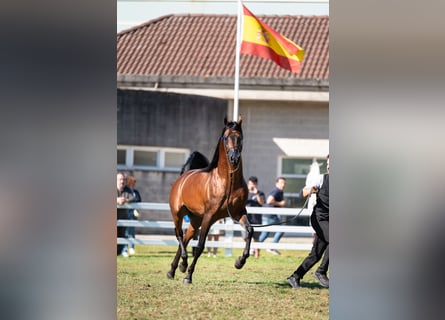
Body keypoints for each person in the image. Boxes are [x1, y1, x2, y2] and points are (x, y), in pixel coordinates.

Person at [287, 155, 329, 289]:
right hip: (319, 218)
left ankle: (295, 276)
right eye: (328, 163)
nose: (329, 166)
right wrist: (309, 190)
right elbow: (302, 192)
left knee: (315, 254)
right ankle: (321, 272)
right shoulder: (322, 178)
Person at [259, 177, 287, 255]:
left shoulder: (280, 191)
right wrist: (281, 203)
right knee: (281, 229)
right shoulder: (277, 191)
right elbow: (269, 200)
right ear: (276, 184)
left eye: (284, 183)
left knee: (265, 233)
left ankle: (254, 248)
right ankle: (271, 247)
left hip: (268, 215)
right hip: (270, 215)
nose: (283, 185)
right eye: (281, 183)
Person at [241, 176, 265, 258]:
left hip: (256, 219)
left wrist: (256, 193)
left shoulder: (260, 193)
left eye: (254, 183)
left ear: (256, 184)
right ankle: (248, 250)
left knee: (256, 238)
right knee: (245, 237)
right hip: (246, 219)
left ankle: (257, 254)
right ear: (248, 184)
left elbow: (262, 203)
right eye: (251, 183)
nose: (252, 185)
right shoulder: (244, 192)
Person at [117, 172, 136, 257]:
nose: (122, 181)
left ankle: (123, 250)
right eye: (120, 179)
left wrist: (125, 200)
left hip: (123, 216)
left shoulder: (127, 189)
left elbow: (133, 197)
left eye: (123, 179)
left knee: (123, 234)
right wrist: (117, 200)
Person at [124, 175, 141, 256]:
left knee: (132, 231)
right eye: (133, 183)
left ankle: (131, 247)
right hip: (126, 213)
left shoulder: (136, 192)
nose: (134, 184)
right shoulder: (126, 191)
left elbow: (139, 200)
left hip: (133, 213)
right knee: (126, 231)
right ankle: (125, 248)